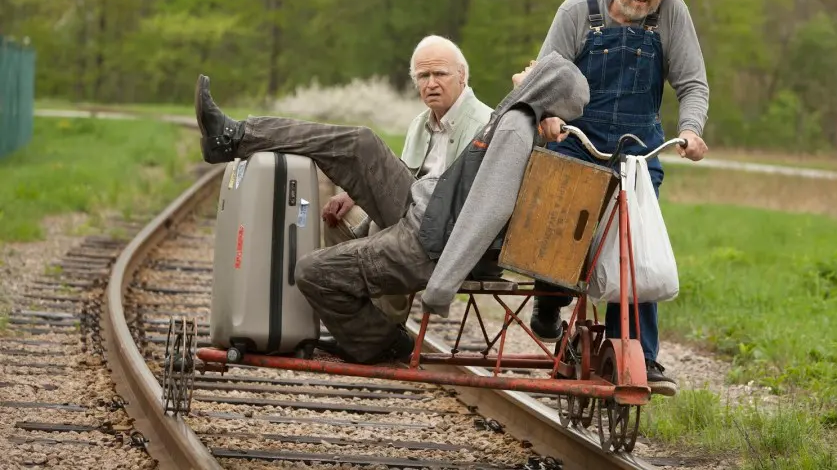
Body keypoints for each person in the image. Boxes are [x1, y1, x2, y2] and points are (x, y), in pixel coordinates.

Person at [193, 50, 588, 365]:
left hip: (428, 240)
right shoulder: (515, 115)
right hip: (425, 207)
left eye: (535, 67)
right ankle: (234, 137)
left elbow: (489, 210)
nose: (527, 66)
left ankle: (378, 341)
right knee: (360, 143)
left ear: (543, 82)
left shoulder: (516, 128)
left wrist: (442, 286)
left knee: (311, 272)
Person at [528, 0, 710, 397]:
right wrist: (546, 115)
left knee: (636, 252)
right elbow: (545, 75)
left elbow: (692, 82)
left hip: (638, 149)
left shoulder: (672, 15)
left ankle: (639, 358)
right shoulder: (578, 12)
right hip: (575, 140)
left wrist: (690, 130)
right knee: (559, 236)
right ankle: (549, 299)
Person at [320, 35, 492, 324]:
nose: (431, 83)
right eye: (423, 76)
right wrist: (357, 194)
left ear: (462, 76)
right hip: (411, 219)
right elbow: (402, 178)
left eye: (440, 74)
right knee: (338, 214)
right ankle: (355, 317)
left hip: (449, 234)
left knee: (383, 227)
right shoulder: (419, 124)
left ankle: (386, 325)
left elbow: (468, 204)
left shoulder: (483, 124)